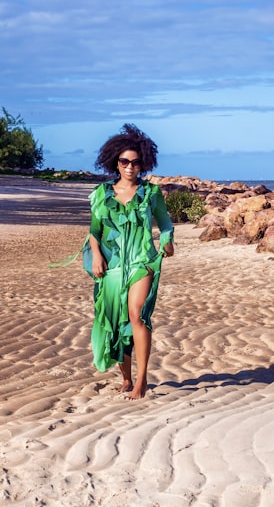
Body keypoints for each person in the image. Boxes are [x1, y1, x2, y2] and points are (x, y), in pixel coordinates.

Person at [87, 124, 174, 399]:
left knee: (137, 314)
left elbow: (166, 223)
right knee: (116, 322)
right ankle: (126, 379)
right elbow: (94, 232)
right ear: (115, 162)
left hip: (142, 262)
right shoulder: (103, 194)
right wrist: (97, 256)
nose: (129, 167)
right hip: (112, 266)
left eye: (135, 162)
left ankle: (142, 381)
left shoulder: (151, 194)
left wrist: (167, 241)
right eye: (124, 161)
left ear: (142, 164)